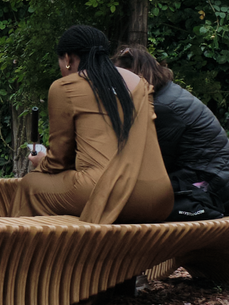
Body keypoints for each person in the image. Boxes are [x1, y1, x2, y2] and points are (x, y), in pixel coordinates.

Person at [11, 24, 174, 224]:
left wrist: (41, 161)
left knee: (31, 185)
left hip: (107, 192)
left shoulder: (64, 87)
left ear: (68, 59)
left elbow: (59, 161)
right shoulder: (141, 85)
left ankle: (35, 253)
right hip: (159, 196)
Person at [115, 45, 229, 216]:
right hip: (225, 183)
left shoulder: (162, 107)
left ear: (137, 75)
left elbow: (156, 164)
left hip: (218, 193)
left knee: (133, 200)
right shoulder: (165, 94)